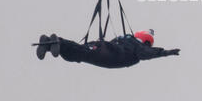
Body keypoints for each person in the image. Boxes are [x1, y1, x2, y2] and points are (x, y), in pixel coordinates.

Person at [33, 29, 180, 69]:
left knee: (81, 53)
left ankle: (55, 43)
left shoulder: (134, 44)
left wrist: (165, 53)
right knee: (81, 54)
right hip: (109, 56)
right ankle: (53, 44)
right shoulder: (134, 44)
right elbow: (147, 53)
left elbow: (148, 53)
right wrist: (165, 53)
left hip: (109, 53)